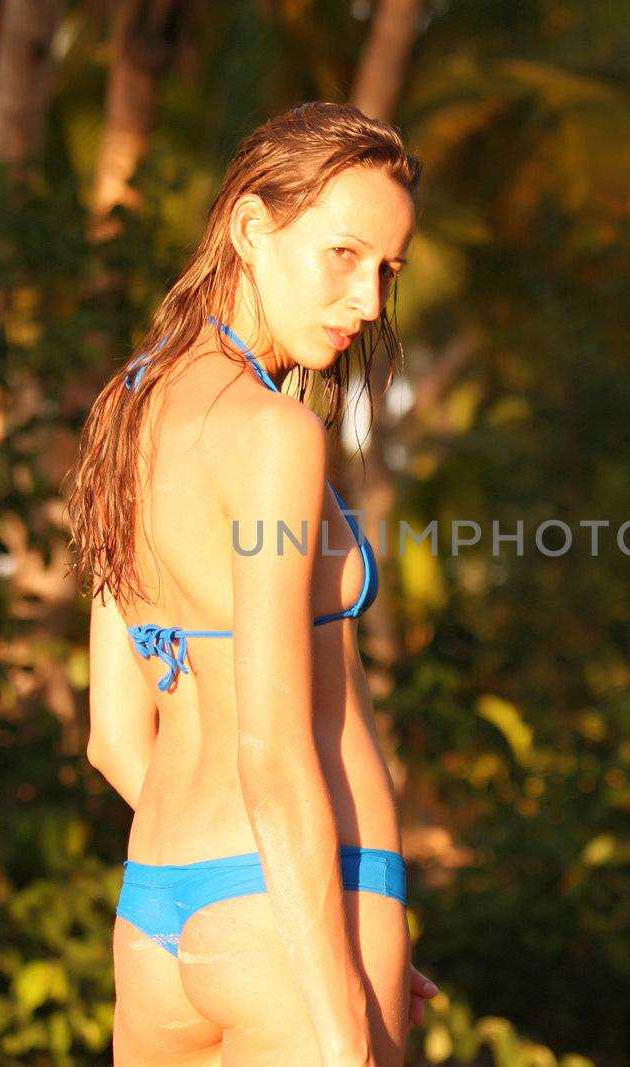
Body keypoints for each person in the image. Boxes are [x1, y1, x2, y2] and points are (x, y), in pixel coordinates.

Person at [66, 102, 437, 1065]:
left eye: (388, 271)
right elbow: (271, 753)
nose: (366, 301)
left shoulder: (126, 409)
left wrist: (234, 908)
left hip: (157, 915)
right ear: (250, 227)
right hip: (292, 918)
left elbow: (113, 734)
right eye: (344, 255)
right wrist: (335, 994)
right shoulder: (276, 435)